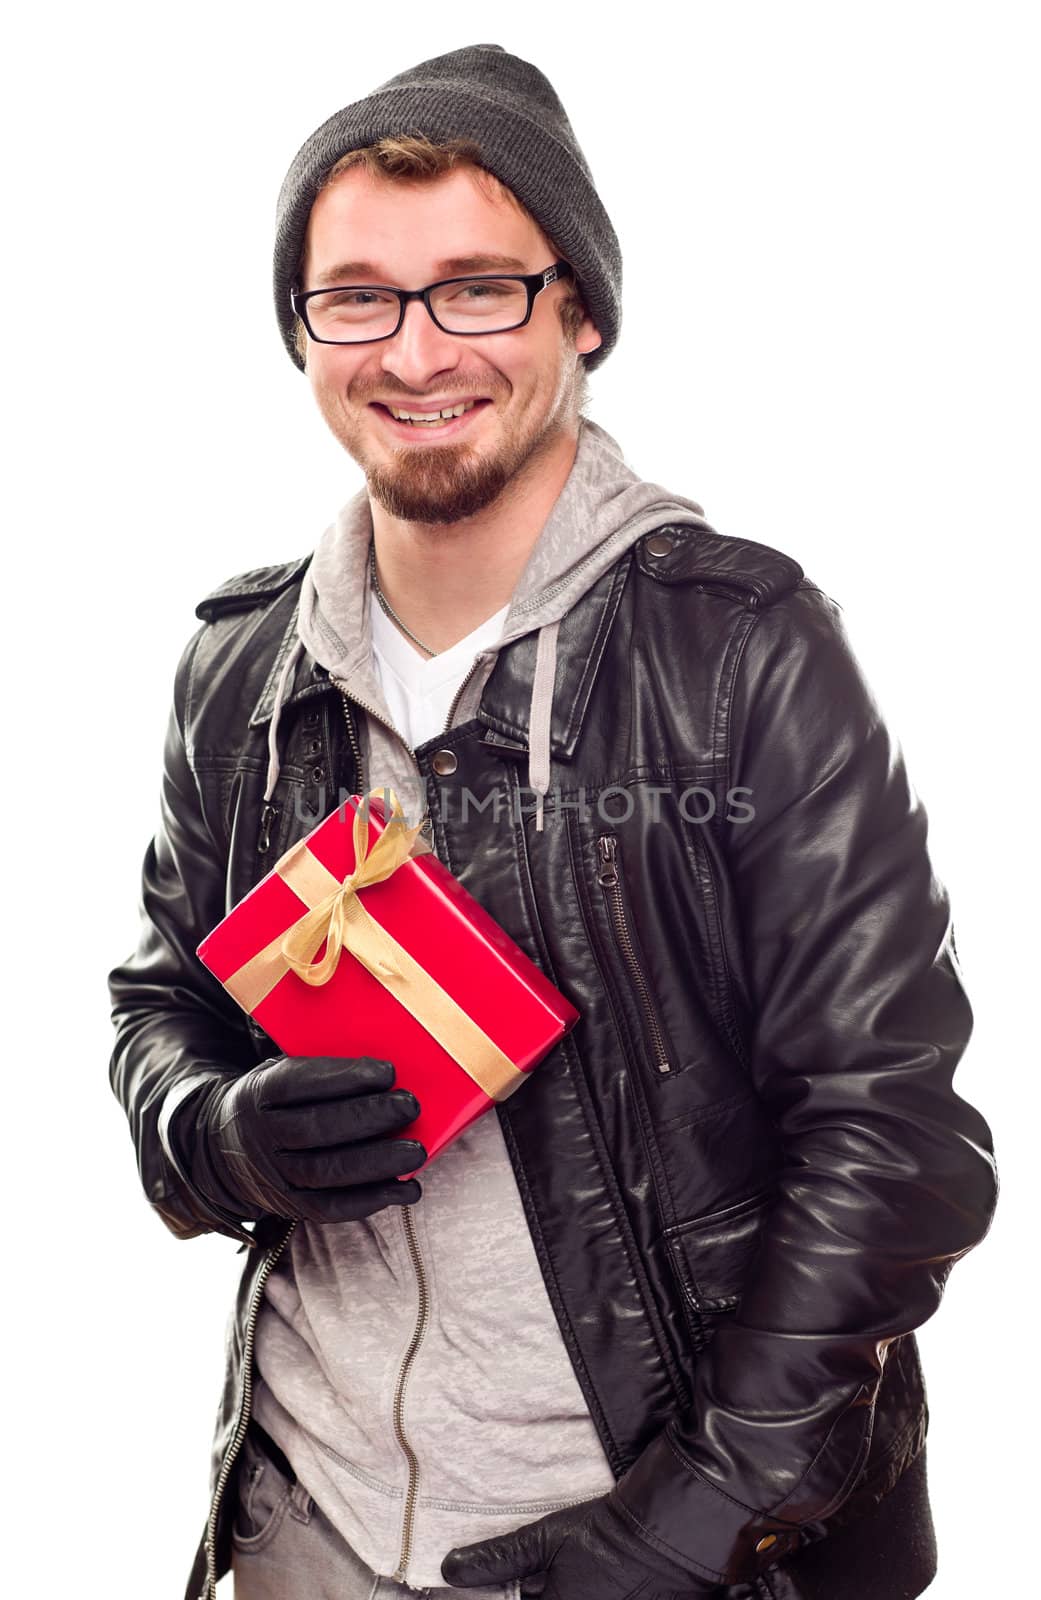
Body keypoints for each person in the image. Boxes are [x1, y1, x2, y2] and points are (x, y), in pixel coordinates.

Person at [107, 42, 998, 1600]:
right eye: (358, 296)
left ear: (578, 312)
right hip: (299, 1522)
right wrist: (215, 1131)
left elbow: (896, 1137)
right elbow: (161, 1005)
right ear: (303, 331)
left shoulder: (740, 650)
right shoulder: (239, 666)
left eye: (478, 288)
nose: (414, 348)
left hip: (652, 1531)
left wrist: (698, 1521)